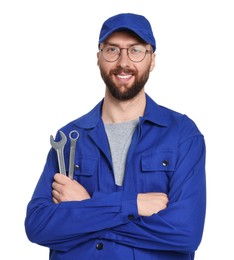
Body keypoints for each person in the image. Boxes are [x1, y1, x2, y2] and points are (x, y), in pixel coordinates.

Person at [25, 13, 206, 260]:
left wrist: (88, 206)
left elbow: (185, 233)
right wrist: (132, 206)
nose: (123, 62)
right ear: (98, 58)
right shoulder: (68, 139)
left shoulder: (182, 135)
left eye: (136, 50)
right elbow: (38, 226)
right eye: (112, 50)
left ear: (152, 59)